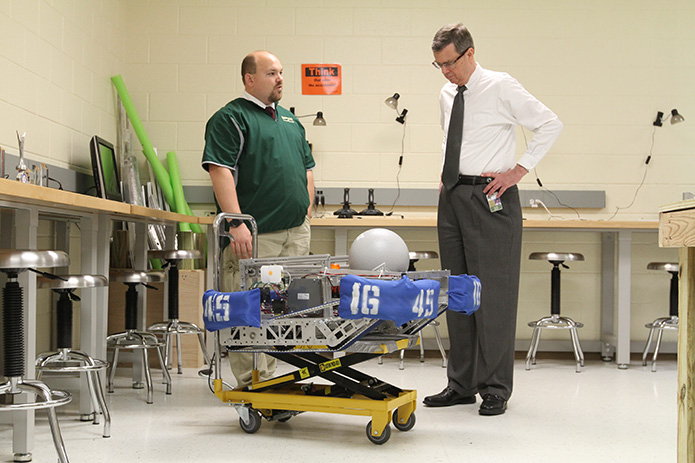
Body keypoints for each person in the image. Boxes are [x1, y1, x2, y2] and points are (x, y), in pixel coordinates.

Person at [424, 24, 563, 415]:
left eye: (449, 63)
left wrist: (519, 170)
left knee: (494, 296)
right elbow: (452, 138)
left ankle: (495, 387)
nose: (446, 72)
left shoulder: (501, 86)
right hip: (453, 195)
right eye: (438, 66)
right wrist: (445, 177)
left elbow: (550, 123)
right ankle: (461, 383)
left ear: (469, 53)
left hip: (491, 196)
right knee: (458, 293)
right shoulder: (446, 92)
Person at [202, 50, 315, 387]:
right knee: (250, 309)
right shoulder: (231, 118)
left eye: (281, 72)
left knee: (282, 311)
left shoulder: (291, 122)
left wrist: (306, 210)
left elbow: (307, 170)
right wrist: (236, 223)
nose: (280, 79)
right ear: (249, 79)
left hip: (295, 234)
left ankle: (272, 380)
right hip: (257, 235)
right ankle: (253, 383)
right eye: (271, 73)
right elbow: (219, 171)